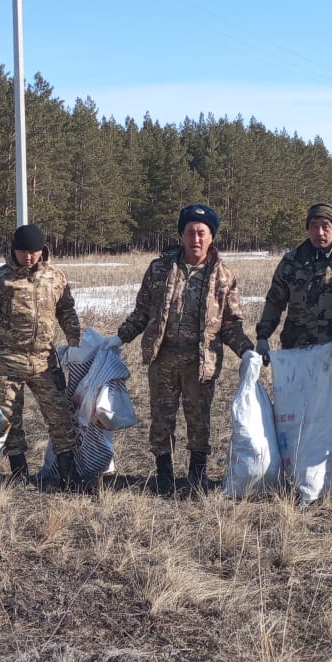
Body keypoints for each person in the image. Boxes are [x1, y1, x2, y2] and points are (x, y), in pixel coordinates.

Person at [106, 203, 254, 494]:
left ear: (212, 237)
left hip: (201, 361)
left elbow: (231, 324)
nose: (195, 239)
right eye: (190, 232)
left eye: (202, 233)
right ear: (181, 235)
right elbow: (142, 312)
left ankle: (197, 474)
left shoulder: (223, 275)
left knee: (199, 420)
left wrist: (246, 350)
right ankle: (163, 473)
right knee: (161, 418)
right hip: (163, 357)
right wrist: (119, 338)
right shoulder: (160, 269)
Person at [0, 224, 83, 489]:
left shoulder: (55, 277)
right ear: (14, 251)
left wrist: (73, 335)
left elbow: (66, 309)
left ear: (42, 251)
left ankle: (68, 473)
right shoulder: (0, 281)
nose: (29, 257)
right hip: (7, 362)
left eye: (34, 251)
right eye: (23, 251)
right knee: (9, 419)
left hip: (44, 362)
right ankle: (19, 473)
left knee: (60, 416)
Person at [255, 202, 332, 418]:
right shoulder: (291, 262)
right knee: (296, 419)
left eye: (325, 226)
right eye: (314, 226)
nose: (319, 232)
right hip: (297, 354)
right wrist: (263, 336)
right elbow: (275, 301)